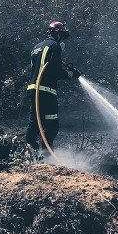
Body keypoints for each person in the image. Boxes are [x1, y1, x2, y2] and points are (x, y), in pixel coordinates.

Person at [25, 21, 81, 156]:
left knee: (34, 122)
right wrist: (69, 74)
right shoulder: (54, 46)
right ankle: (46, 155)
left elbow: (42, 66)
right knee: (51, 125)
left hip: (34, 89)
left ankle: (30, 153)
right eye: (62, 35)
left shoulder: (36, 47)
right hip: (46, 91)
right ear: (57, 34)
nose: (62, 39)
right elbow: (54, 70)